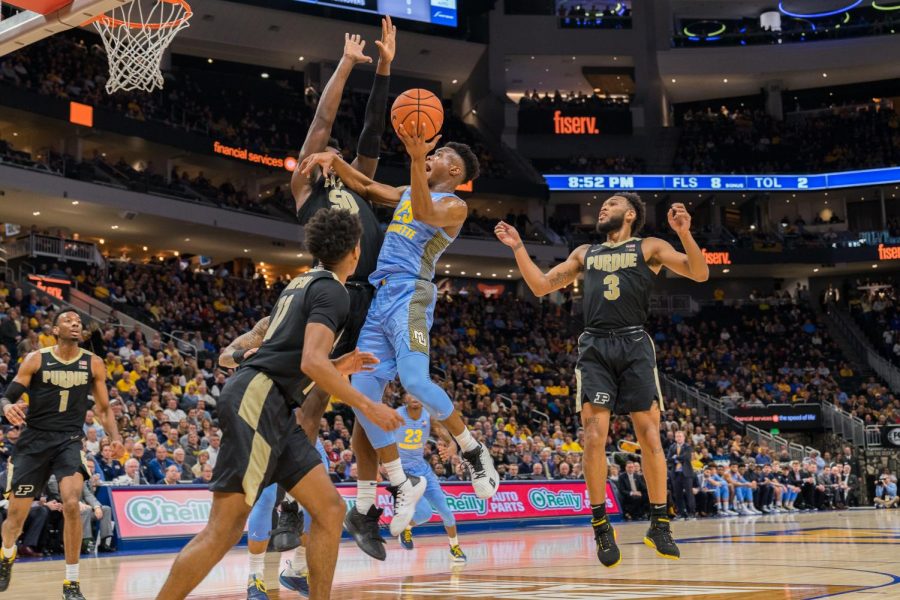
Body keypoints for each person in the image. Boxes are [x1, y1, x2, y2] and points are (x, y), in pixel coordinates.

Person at [153, 209, 403, 600]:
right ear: (356, 250)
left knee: (330, 510)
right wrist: (367, 406)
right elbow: (309, 362)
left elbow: (296, 357)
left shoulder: (301, 282)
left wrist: (340, 365)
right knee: (224, 529)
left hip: (274, 404)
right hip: (258, 399)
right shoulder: (334, 291)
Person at [299, 101, 499, 544]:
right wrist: (335, 162)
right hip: (381, 295)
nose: (430, 157)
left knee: (414, 381)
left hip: (412, 293)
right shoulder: (410, 190)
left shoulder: (454, 206)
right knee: (361, 393)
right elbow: (368, 185)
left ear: (453, 171)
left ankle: (473, 450)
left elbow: (425, 214)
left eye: (439, 156)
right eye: (430, 153)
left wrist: (413, 159)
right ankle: (398, 483)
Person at [242, 19, 397, 564]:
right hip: (332, 297)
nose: (327, 150)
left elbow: (372, 133)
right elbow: (323, 121)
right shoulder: (308, 185)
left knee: (370, 411)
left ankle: (366, 507)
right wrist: (348, 63)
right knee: (311, 402)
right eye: (320, 150)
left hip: (373, 302)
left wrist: (383, 69)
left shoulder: (358, 181)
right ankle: (287, 505)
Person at [495, 195, 709, 566]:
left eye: (610, 204)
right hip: (595, 345)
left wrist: (685, 234)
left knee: (649, 435)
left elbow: (700, 272)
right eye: (602, 205)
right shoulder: (583, 252)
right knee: (593, 436)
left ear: (630, 214)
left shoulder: (650, 246)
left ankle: (659, 524)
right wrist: (518, 248)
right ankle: (601, 526)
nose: (602, 209)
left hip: (635, 343)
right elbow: (542, 286)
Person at [0, 310, 120, 599]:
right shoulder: (37, 358)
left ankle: (71, 582)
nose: (75, 323)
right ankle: (6, 555)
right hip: (33, 443)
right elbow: (8, 394)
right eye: (68, 320)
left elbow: (103, 409)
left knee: (71, 504)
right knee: (15, 519)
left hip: (68, 441)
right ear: (55, 329)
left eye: (78, 321)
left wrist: (115, 437)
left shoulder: (94, 363)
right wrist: (5, 407)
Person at [394, 392, 467, 562]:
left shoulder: (428, 416)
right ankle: (406, 527)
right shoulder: (396, 416)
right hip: (403, 474)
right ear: (404, 398)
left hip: (423, 470)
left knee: (447, 513)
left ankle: (454, 547)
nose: (414, 396)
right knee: (425, 514)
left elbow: (444, 433)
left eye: (416, 393)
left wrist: (451, 445)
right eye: (410, 394)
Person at [667, 430, 695, 519]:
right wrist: (677, 458)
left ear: (684, 437)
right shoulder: (672, 447)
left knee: (689, 494)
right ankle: (681, 513)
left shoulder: (688, 446)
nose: (678, 438)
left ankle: (692, 513)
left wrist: (675, 457)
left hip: (686, 473)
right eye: (677, 436)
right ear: (675, 438)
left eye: (680, 436)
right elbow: (668, 458)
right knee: (677, 494)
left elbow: (686, 458)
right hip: (675, 474)